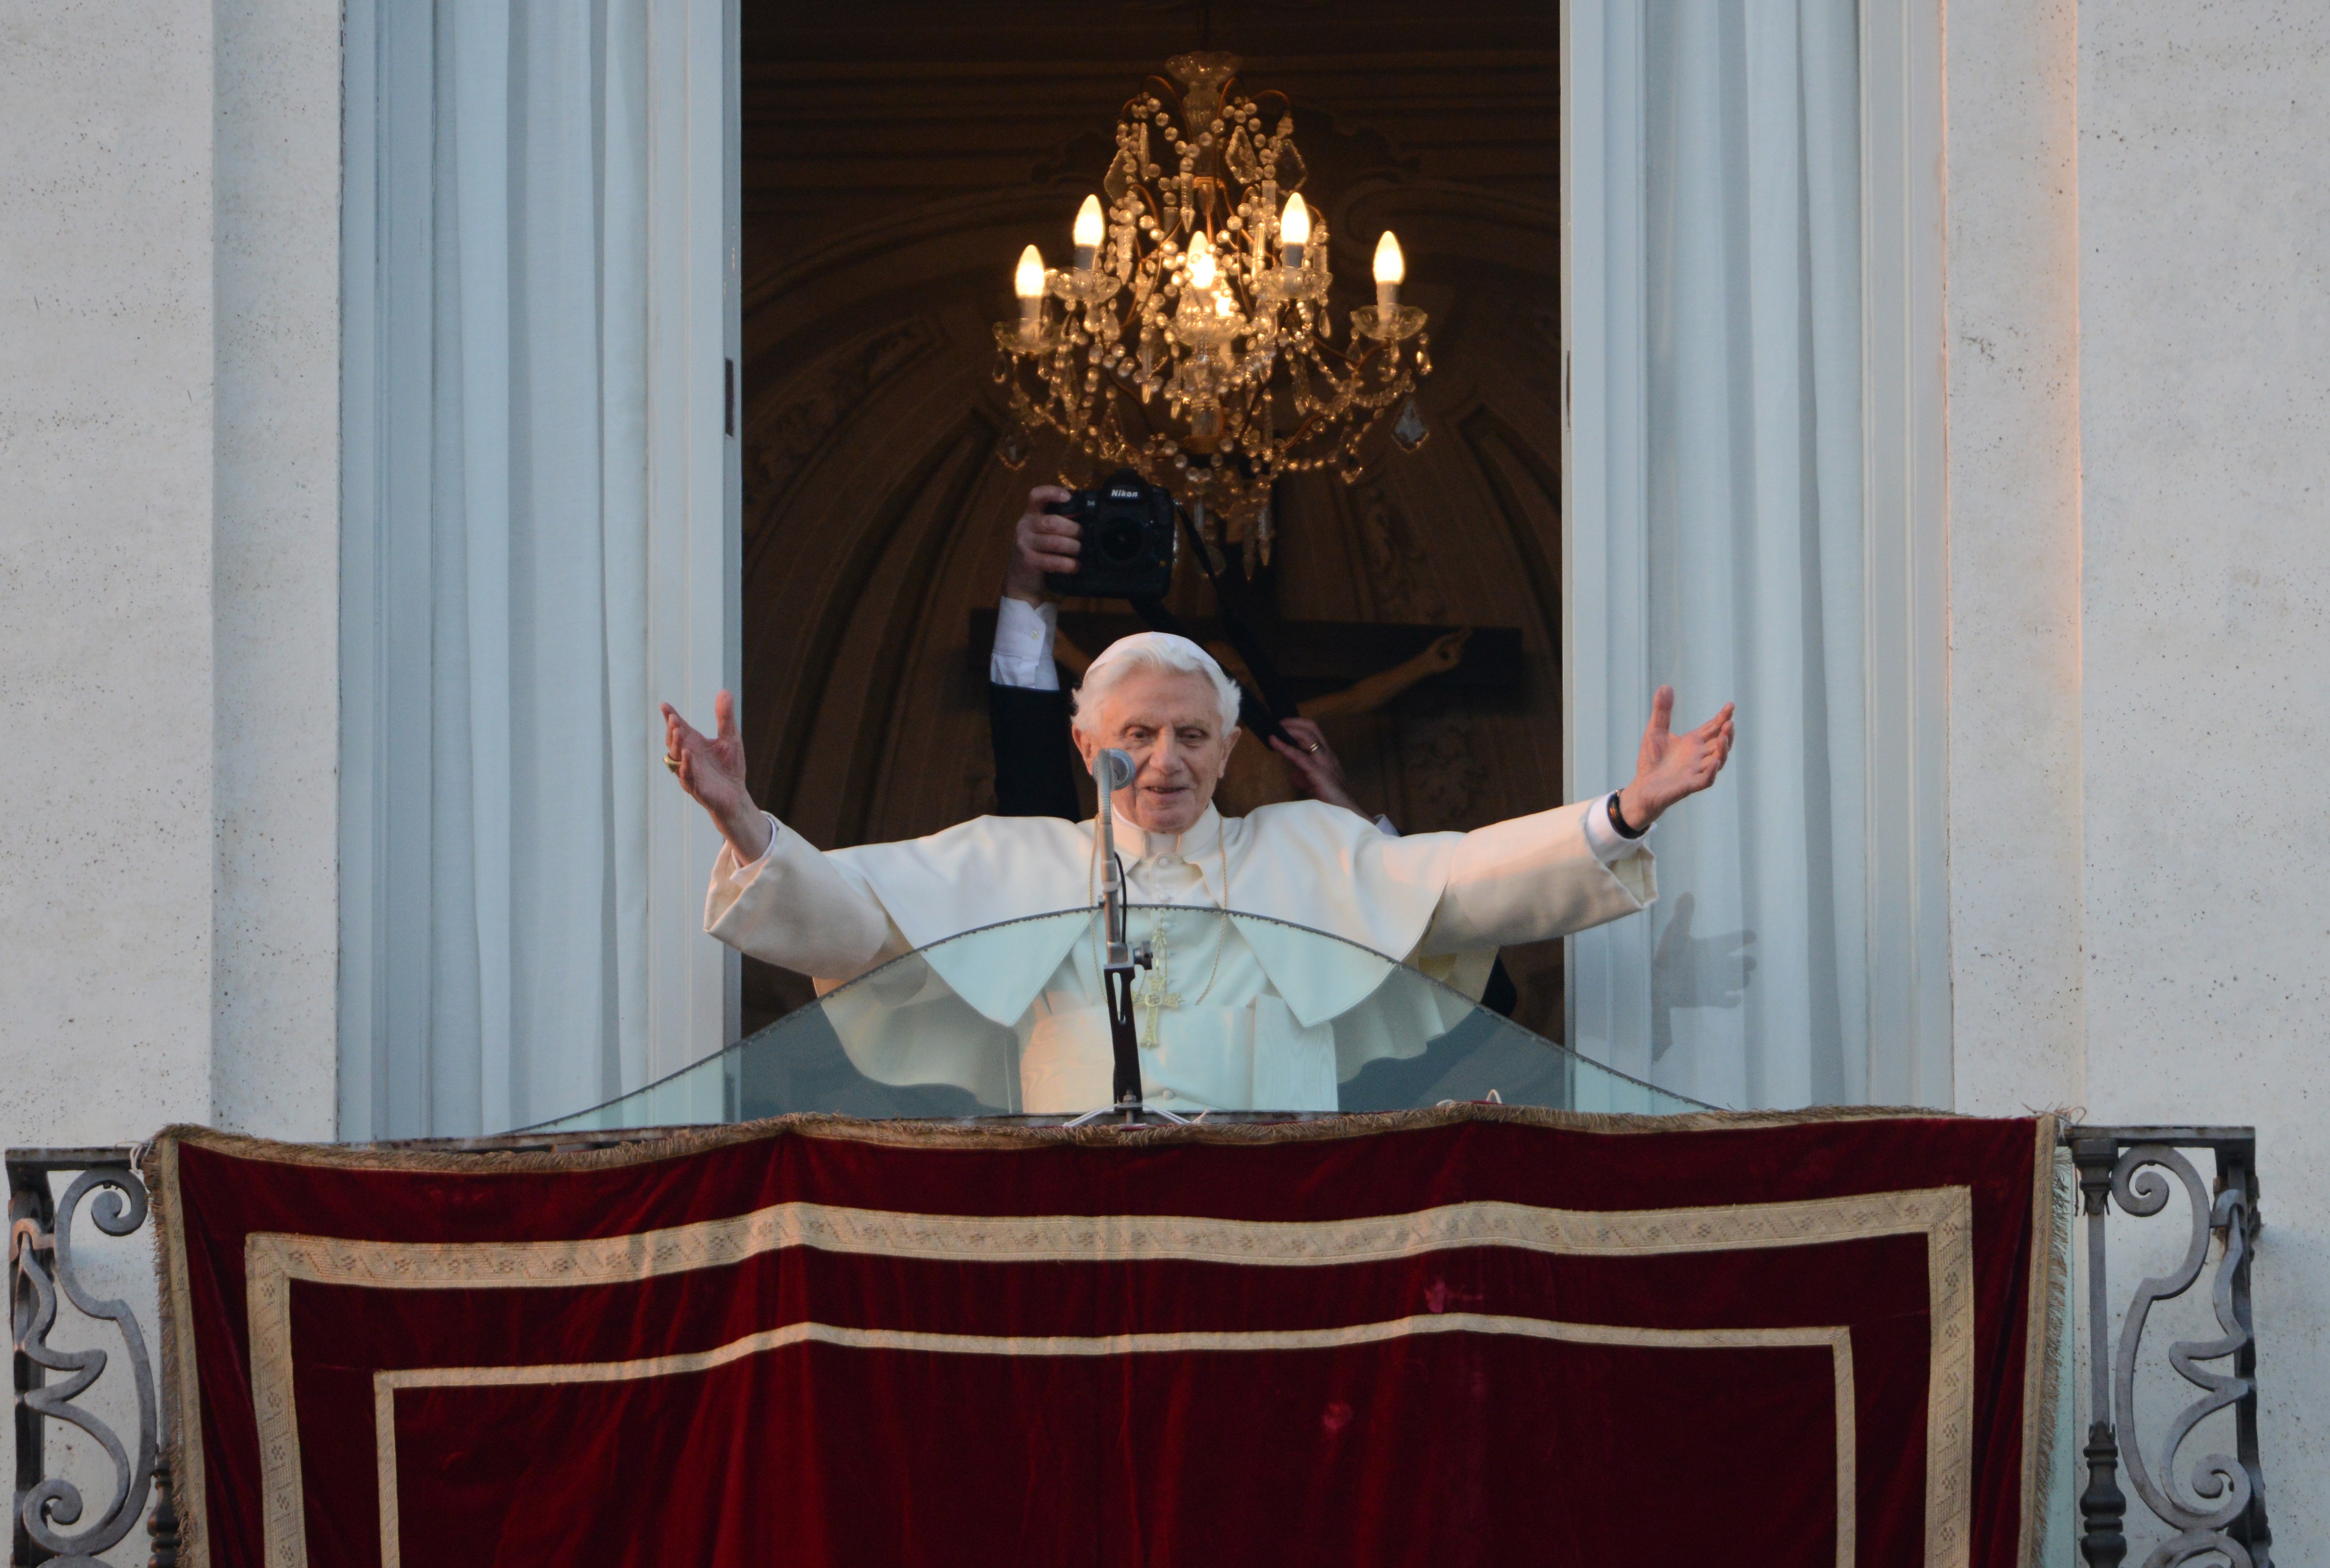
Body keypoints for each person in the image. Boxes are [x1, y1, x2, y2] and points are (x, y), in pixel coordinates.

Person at [664, 558, 1733, 1119]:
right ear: (1088, 742)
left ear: (1230, 751)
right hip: (1077, 1225)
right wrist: (745, 823)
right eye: (1139, 735)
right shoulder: (1016, 863)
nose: (1165, 761)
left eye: (1191, 737)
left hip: (1283, 1221)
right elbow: (859, 925)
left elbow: (1457, 886)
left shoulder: (1307, 852)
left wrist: (1624, 812)